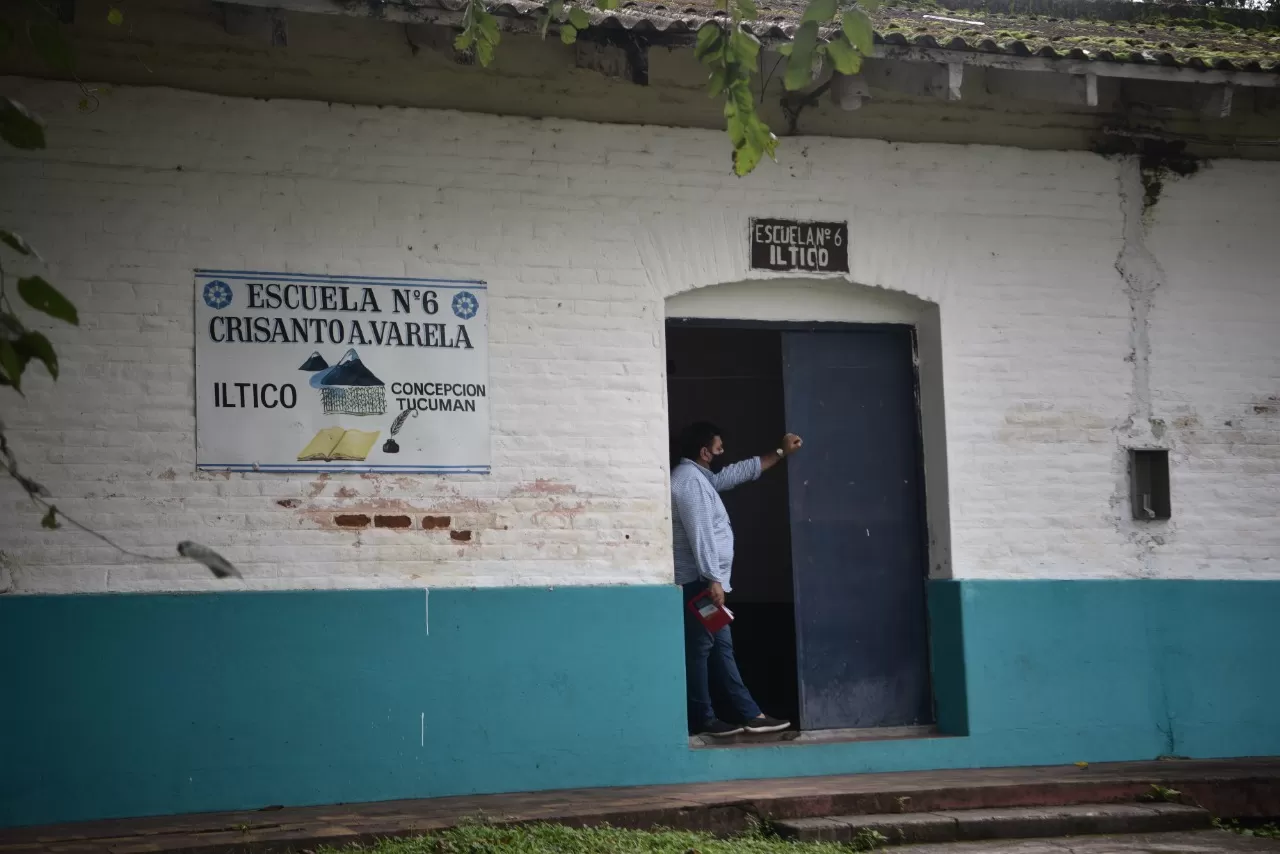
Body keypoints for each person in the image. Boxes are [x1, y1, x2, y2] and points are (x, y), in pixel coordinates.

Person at [670, 421, 803, 738]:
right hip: (699, 584)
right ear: (704, 452)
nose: (722, 452)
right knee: (702, 649)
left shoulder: (700, 479)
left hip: (704, 583)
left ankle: (750, 714)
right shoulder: (689, 482)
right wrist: (713, 579)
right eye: (718, 447)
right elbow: (700, 534)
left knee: (720, 647)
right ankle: (703, 718)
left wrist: (780, 453)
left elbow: (731, 475)